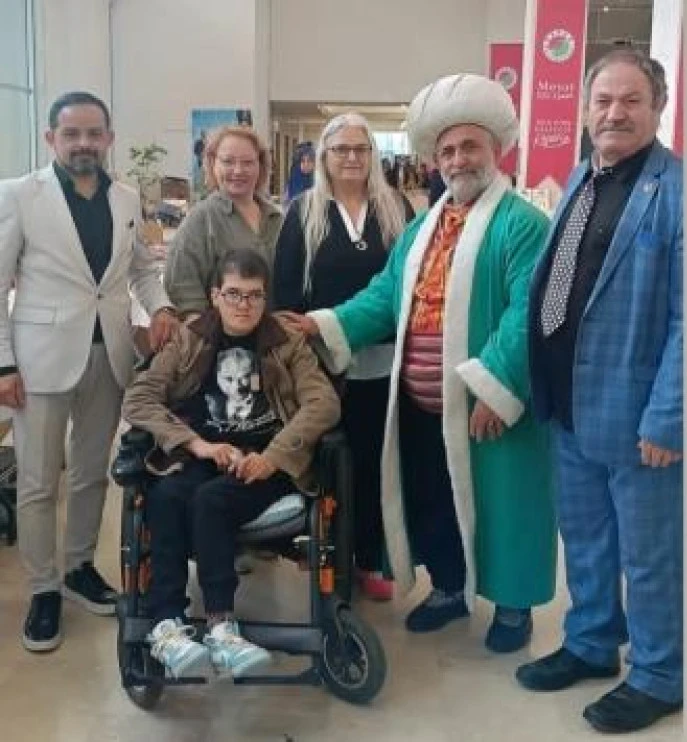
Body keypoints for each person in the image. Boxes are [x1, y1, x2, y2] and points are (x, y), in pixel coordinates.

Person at [284, 74, 555, 650]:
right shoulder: (422, 227)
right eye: (447, 150)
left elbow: (526, 314)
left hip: (485, 403)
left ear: (495, 150)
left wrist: (496, 386)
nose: (458, 160)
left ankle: (513, 608)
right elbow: (385, 295)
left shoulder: (523, 224)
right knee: (434, 497)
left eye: (469, 147)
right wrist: (323, 323)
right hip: (419, 403)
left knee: (505, 502)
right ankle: (449, 589)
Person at [517, 49, 683, 734]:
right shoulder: (583, 177)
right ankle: (590, 641)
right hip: (568, 404)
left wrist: (670, 419)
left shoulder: (678, 192)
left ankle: (660, 674)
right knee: (584, 539)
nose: (615, 113)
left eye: (631, 101)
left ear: (658, 108)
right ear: (586, 109)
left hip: (639, 417)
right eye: (603, 101)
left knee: (650, 556)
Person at [0, 91, 178, 652]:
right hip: (39, 359)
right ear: (51, 138)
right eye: (71, 133)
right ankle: (43, 588)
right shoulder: (19, 195)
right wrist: (3, 363)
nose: (83, 143)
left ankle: (79, 568)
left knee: (91, 472)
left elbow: (141, 269)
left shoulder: (126, 197)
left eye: (93, 133)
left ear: (108, 139)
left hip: (110, 353)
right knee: (38, 481)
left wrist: (162, 307)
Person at [121, 247, 340, 679]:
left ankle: (221, 626)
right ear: (215, 296)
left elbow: (324, 403)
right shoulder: (190, 337)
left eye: (254, 295)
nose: (244, 305)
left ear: (265, 297)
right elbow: (138, 398)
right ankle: (167, 625)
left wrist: (274, 457)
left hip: (264, 459)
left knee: (211, 501)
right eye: (234, 294)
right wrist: (197, 444)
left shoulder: (285, 340)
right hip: (205, 452)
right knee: (165, 495)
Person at [273, 113, 414, 601]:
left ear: (373, 155)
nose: (352, 158)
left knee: (377, 461)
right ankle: (329, 554)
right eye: (341, 149)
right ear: (323, 157)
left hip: (383, 361)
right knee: (329, 462)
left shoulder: (396, 208)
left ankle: (372, 557)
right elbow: (285, 294)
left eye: (361, 149)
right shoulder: (303, 212)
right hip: (321, 365)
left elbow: (410, 284)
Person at [164, 125, 283, 316]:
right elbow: (182, 287)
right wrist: (206, 327)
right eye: (228, 161)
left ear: (260, 166)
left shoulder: (278, 219)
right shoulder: (201, 219)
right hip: (220, 332)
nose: (238, 170)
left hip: (276, 330)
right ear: (213, 164)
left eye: (248, 162)